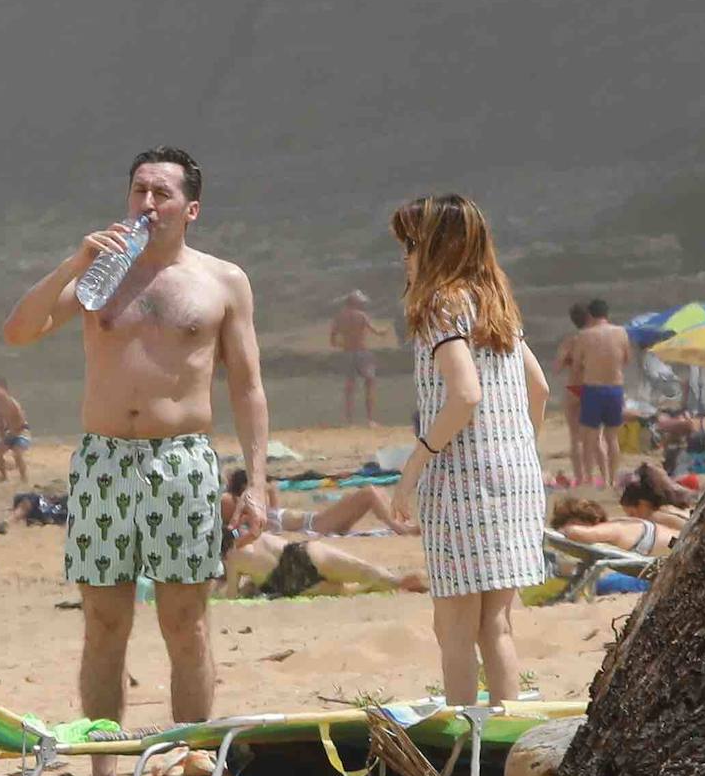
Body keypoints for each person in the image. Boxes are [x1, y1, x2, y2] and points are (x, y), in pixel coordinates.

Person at [2, 145, 269, 776]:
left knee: (186, 622)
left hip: (181, 461)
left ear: (191, 208)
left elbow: (249, 386)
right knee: (103, 623)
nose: (148, 204)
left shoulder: (221, 280)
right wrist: (74, 260)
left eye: (162, 194)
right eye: (139, 191)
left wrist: (258, 482)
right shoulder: (99, 276)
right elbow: (19, 331)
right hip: (102, 460)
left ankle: (191, 766)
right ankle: (101, 775)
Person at [388, 194, 548, 707]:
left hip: (461, 479)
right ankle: (504, 738)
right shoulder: (495, 302)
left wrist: (413, 466)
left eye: (411, 245)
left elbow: (465, 393)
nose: (404, 257)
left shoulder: (439, 305)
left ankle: (465, 742)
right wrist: (516, 447)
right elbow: (538, 390)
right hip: (516, 472)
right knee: (496, 625)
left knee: (454, 625)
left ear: (435, 247)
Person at [218, 529, 425, 598]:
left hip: (288, 583)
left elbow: (232, 596)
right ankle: (403, 582)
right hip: (298, 554)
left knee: (352, 591)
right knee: (366, 572)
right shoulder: (255, 534)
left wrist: (249, 586)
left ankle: (393, 585)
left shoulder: (232, 560)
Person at [222, 469, 417, 536]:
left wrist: (263, 483)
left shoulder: (266, 510)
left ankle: (401, 523)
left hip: (317, 521)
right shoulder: (252, 514)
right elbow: (228, 502)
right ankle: (399, 527)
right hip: (316, 525)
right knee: (369, 493)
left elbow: (271, 488)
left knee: (376, 492)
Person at [570, 298, 630, 487]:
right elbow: (626, 359)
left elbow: (577, 364)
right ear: (607, 314)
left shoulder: (585, 335)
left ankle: (591, 479)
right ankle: (611, 479)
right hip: (615, 388)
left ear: (590, 315)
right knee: (612, 438)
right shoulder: (621, 332)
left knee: (591, 438)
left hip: (593, 388)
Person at [329, 290, 387, 426]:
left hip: (348, 353)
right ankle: (370, 420)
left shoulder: (339, 317)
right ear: (356, 302)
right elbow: (377, 331)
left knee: (350, 387)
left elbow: (332, 341)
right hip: (362, 353)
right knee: (370, 384)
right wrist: (384, 331)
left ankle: (350, 422)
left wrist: (344, 344)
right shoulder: (361, 316)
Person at [549, 497, 678, 556]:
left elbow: (576, 532)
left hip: (682, 549)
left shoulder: (608, 529)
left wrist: (562, 531)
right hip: (680, 544)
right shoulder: (616, 524)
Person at [553, 303, 591, 486]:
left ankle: (580, 477)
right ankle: (594, 476)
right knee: (595, 436)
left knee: (575, 437)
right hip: (593, 387)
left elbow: (557, 368)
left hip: (574, 388)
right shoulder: (595, 340)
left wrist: (570, 361)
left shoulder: (570, 341)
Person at [0, 377, 31, 483]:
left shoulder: (13, 403)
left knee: (17, 453)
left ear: (4, 390)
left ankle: (24, 478)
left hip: (22, 432)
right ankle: (3, 476)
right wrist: (2, 434)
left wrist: (14, 431)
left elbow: (21, 420)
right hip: (11, 433)